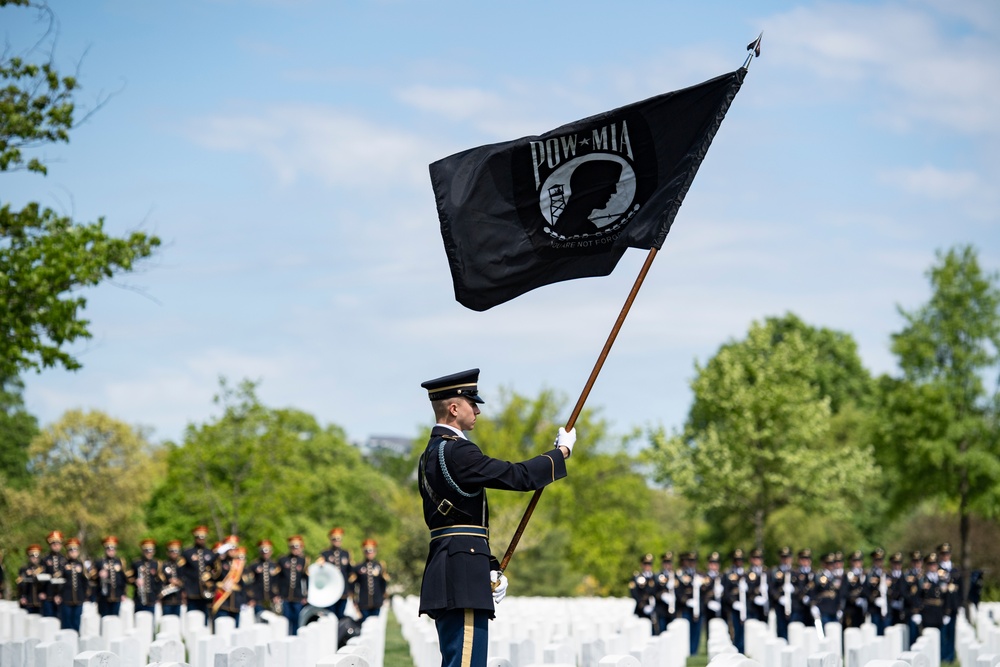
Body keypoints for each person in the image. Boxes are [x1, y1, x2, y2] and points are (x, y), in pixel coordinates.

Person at [416, 368, 573, 667]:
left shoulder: (429, 454)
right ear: (453, 408)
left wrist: (487, 565)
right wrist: (560, 453)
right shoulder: (458, 451)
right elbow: (518, 476)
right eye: (471, 403)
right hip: (461, 574)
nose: (476, 409)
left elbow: (455, 521)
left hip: (452, 566)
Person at [181, 525, 216, 620]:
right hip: (192, 591)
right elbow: (181, 571)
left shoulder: (210, 553)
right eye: (198, 538)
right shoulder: (188, 553)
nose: (201, 540)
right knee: (192, 618)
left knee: (206, 618)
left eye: (203, 538)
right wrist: (183, 589)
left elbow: (216, 571)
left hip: (207, 593)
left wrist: (210, 575)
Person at [277, 535, 309, 635]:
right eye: (293, 547)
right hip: (285, 595)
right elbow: (277, 578)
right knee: (286, 619)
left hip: (298, 596)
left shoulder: (304, 560)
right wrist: (277, 593)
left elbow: (306, 579)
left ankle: (295, 638)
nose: (295, 549)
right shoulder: (283, 560)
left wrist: (306, 595)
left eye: (297, 546)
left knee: (296, 620)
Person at [351, 538, 389, 621]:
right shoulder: (358, 567)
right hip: (363, 602)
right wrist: (354, 600)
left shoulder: (380, 565)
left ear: (375, 552)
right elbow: (354, 585)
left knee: (375, 624)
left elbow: (383, 583)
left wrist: (384, 598)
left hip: (377, 601)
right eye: (367, 551)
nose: (369, 553)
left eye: (371, 551)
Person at [54, 538, 87, 632]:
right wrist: (58, 594)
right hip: (66, 598)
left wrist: (85, 595)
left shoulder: (81, 564)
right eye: (71, 550)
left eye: (75, 550)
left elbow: (85, 581)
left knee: (76, 622)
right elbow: (58, 581)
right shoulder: (63, 564)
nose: (73, 552)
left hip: (78, 597)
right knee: (66, 622)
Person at [319, 528, 352, 619]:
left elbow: (350, 573)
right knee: (330, 615)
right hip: (330, 591)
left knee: (341, 615)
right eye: (334, 539)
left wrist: (350, 590)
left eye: (338, 539)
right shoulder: (325, 553)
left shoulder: (346, 554)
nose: (336, 541)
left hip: (343, 591)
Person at [91, 536, 127, 617]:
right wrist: (99, 574)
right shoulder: (99, 562)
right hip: (103, 597)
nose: (111, 551)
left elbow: (123, 579)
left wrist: (124, 593)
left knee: (115, 619)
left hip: (117, 596)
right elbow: (91, 577)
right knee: (104, 618)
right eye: (108, 549)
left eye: (113, 549)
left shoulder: (120, 562)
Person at [212, 545, 247, 627]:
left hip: (236, 602)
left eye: (235, 550)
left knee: (235, 630)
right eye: (230, 550)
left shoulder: (240, 565)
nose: (233, 552)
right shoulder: (220, 563)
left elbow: (243, 585)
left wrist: (243, 600)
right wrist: (220, 551)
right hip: (223, 602)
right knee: (222, 627)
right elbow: (211, 562)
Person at [937, 543, 961, 662]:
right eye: (943, 554)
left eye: (947, 554)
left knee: (952, 632)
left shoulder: (955, 569)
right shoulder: (938, 569)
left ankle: (950, 657)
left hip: (953, 605)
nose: (945, 556)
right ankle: (943, 656)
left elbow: (959, 587)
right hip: (942, 606)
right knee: (943, 633)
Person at [676, 551, 702, 655]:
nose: (692, 563)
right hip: (686, 608)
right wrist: (686, 601)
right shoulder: (681, 575)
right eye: (690, 561)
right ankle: (687, 651)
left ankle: (694, 650)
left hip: (698, 608)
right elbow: (679, 591)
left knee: (696, 631)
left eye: (693, 561)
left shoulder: (700, 575)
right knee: (686, 631)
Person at [247, 539, 281, 618]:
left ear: (271, 552)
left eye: (267, 551)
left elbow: (278, 582)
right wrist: (251, 597)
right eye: (263, 552)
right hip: (258, 599)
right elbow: (249, 583)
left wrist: (277, 595)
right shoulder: (254, 565)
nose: (265, 554)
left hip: (272, 598)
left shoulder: (275, 565)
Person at [722, 549, 748, 653]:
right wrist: (733, 603)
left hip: (746, 608)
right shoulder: (728, 574)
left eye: (740, 560)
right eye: (736, 560)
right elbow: (726, 593)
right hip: (734, 608)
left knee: (744, 632)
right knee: (734, 631)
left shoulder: (747, 574)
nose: (739, 562)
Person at [129, 538, 163, 614]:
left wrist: (158, 595)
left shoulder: (157, 564)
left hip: (152, 599)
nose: (148, 553)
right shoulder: (136, 563)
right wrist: (135, 581)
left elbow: (161, 580)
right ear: (143, 551)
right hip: (139, 599)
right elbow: (128, 577)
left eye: (151, 551)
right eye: (146, 550)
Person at [40, 531, 66, 619]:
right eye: (53, 543)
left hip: (62, 596)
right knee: (48, 620)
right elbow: (41, 578)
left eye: (58, 543)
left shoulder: (64, 560)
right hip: (48, 595)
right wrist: (41, 591)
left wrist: (61, 594)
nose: (56, 546)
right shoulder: (45, 559)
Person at [770, 546, 794, 639]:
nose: (785, 560)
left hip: (793, 605)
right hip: (780, 605)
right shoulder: (775, 572)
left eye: (787, 557)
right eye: (783, 557)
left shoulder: (794, 572)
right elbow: (772, 588)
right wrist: (779, 597)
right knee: (781, 628)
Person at [629, 554, 659, 630]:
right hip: (641, 610)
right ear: (642, 565)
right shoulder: (637, 577)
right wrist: (642, 606)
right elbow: (634, 593)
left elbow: (657, 591)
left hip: (654, 609)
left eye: (649, 564)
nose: (647, 566)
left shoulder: (655, 577)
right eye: (646, 564)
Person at [865, 548, 888, 635]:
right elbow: (865, 589)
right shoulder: (869, 574)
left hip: (886, 608)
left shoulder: (887, 573)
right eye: (877, 560)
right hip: (874, 608)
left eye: (880, 560)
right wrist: (874, 599)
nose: (879, 562)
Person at [17, 545, 45, 613]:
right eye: (32, 557)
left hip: (39, 601)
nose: (35, 559)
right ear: (29, 557)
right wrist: (22, 596)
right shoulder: (24, 569)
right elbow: (20, 584)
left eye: (36, 557)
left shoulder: (42, 570)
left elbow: (45, 584)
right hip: (28, 600)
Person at [842, 550, 867, 628]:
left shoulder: (865, 574)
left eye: (859, 561)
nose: (857, 563)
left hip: (863, 608)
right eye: (855, 561)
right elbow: (844, 591)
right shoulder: (848, 575)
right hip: (851, 608)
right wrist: (854, 599)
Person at [160, 540, 185, 616]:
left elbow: (185, 579)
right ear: (168, 552)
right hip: (167, 599)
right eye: (172, 551)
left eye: (176, 551)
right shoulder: (163, 565)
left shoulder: (181, 566)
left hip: (178, 599)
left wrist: (179, 582)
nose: (174, 553)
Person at [653, 551, 676, 634]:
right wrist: (662, 595)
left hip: (673, 611)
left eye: (669, 563)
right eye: (665, 562)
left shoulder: (675, 576)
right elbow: (654, 591)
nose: (667, 565)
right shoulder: (658, 576)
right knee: (662, 632)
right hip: (662, 610)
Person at [791, 548, 815, 624]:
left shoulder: (814, 574)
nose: (805, 562)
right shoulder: (794, 574)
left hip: (810, 606)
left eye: (807, 559)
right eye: (803, 559)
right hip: (798, 606)